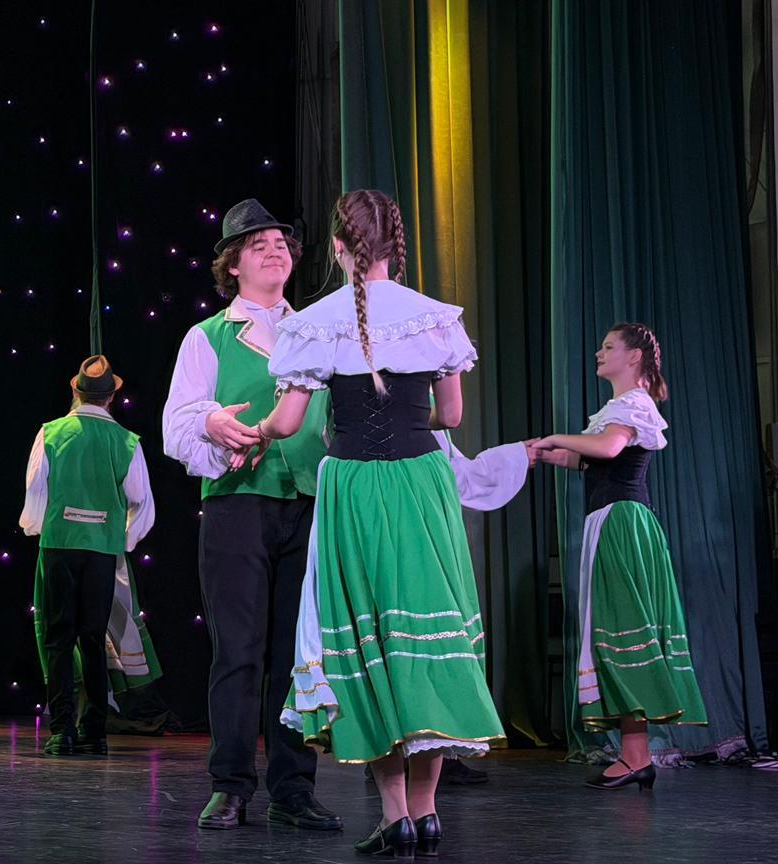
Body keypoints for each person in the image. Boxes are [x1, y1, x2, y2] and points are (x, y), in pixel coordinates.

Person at [243, 189, 505, 858]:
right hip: (421, 483)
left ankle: (395, 815)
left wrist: (256, 431)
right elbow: (451, 416)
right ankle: (426, 810)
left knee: (370, 641)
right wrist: (408, 409)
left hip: (354, 486)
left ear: (337, 247)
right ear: (396, 245)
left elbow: (288, 422)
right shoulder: (433, 317)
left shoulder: (318, 322)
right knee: (425, 635)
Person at [162, 198, 341, 831]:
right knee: (237, 650)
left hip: (308, 503)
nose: (274, 252)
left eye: (282, 244)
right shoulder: (207, 336)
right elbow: (177, 422)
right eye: (258, 245)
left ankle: (294, 788)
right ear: (232, 265)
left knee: (298, 652)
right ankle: (231, 784)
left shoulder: (318, 331)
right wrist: (212, 422)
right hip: (237, 504)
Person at [531, 323, 707, 789]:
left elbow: (608, 447)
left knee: (621, 630)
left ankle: (637, 756)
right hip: (610, 521)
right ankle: (635, 755)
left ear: (633, 357)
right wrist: (544, 452)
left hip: (622, 523)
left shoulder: (634, 404)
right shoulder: (618, 409)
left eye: (609, 346)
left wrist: (557, 436)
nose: (598, 352)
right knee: (614, 633)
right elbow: (590, 457)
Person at [19, 355, 155, 756]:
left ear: (75, 392)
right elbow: (141, 501)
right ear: (112, 397)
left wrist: (40, 527)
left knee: (59, 639)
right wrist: (121, 538)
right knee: (93, 638)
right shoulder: (126, 441)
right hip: (101, 551)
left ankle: (62, 730)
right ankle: (95, 731)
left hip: (60, 545)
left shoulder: (52, 432)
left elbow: (35, 489)